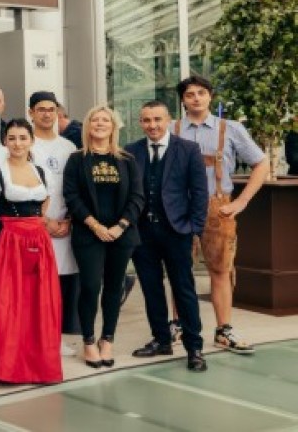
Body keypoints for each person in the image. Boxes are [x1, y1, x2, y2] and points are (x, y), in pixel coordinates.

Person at [172, 75, 269, 354]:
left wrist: (242, 201)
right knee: (180, 269)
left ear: (210, 96)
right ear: (183, 100)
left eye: (201, 93)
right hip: (179, 207)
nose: (196, 98)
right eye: (190, 94)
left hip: (218, 207)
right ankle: (179, 326)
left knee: (221, 269)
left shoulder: (231, 128)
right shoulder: (171, 128)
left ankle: (223, 330)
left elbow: (261, 164)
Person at [127, 100, 209, 372]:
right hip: (142, 233)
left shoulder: (188, 149)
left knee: (183, 289)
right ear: (140, 122)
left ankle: (194, 347)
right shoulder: (131, 151)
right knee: (151, 288)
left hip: (177, 231)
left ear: (168, 120)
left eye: (157, 119)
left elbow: (200, 192)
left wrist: (195, 229)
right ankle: (161, 339)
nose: (152, 125)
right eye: (146, 120)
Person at [62, 105, 145, 369]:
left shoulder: (127, 159)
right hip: (88, 234)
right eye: (95, 120)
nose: (100, 124)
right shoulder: (77, 159)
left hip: (121, 235)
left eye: (105, 120)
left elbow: (137, 197)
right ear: (88, 126)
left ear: (113, 126)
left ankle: (107, 339)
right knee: (90, 287)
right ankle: (88, 340)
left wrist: (121, 225)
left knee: (114, 287)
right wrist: (95, 225)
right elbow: (71, 196)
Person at [0, 119, 62, 384]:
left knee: (39, 300)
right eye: (12, 138)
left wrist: (34, 226)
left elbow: (44, 206)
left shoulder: (42, 172)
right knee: (8, 301)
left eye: (23, 138)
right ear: (4, 141)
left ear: (31, 141)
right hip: (8, 241)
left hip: (38, 240)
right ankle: (8, 367)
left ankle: (39, 364)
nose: (17, 143)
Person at [27, 91, 82, 356]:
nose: (47, 114)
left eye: (51, 109)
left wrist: (69, 220)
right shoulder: (26, 144)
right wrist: (44, 221)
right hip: (36, 225)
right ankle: (33, 338)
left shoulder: (68, 147)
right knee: (35, 284)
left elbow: (74, 188)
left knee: (58, 286)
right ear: (31, 113)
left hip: (65, 226)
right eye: (41, 109)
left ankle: (54, 338)